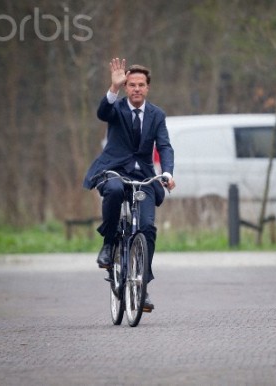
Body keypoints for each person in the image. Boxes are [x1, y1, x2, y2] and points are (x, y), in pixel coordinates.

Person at [83, 58, 175, 311]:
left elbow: (164, 146)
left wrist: (166, 172)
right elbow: (102, 113)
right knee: (112, 190)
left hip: (143, 176)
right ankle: (109, 244)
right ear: (126, 87)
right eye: (131, 84)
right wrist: (112, 88)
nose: (136, 88)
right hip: (113, 169)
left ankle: (141, 286)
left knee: (147, 228)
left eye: (141, 85)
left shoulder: (157, 115)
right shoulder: (117, 108)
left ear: (147, 88)